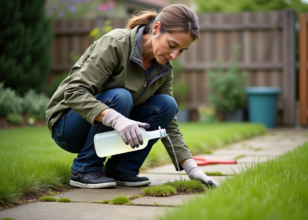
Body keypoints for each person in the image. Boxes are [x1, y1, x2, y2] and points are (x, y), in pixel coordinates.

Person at [46, 4, 219, 189]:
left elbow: (168, 124)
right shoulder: (116, 44)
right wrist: (115, 119)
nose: (174, 55)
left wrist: (192, 168)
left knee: (167, 105)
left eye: (181, 51)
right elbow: (73, 92)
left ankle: (122, 169)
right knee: (121, 97)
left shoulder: (163, 69)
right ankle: (84, 169)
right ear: (156, 28)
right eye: (172, 45)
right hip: (67, 125)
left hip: (104, 127)